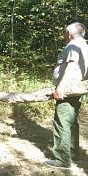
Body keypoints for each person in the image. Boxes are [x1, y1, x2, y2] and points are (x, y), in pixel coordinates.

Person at [44, 22, 88, 169]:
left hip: (68, 89)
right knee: (71, 121)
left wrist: (60, 87)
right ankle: (73, 153)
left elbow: (71, 65)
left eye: (65, 33)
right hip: (78, 88)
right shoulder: (85, 45)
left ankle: (62, 160)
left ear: (69, 33)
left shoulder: (73, 45)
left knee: (62, 122)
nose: (64, 36)